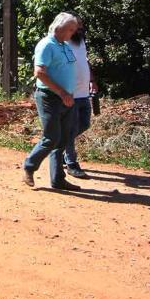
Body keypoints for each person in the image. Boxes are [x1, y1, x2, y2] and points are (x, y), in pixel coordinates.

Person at [22, 12, 81, 191]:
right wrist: (62, 92)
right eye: (71, 29)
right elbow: (39, 73)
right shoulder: (47, 45)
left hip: (66, 98)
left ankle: (58, 179)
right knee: (51, 137)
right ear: (60, 28)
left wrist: (68, 93)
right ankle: (29, 166)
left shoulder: (64, 45)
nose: (73, 33)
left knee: (63, 139)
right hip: (50, 97)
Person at [62, 17, 98, 179]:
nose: (81, 29)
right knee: (70, 128)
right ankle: (71, 163)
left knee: (84, 124)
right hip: (70, 92)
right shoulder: (62, 42)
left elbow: (85, 62)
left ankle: (60, 146)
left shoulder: (81, 42)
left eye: (82, 26)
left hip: (83, 92)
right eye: (78, 26)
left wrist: (92, 81)